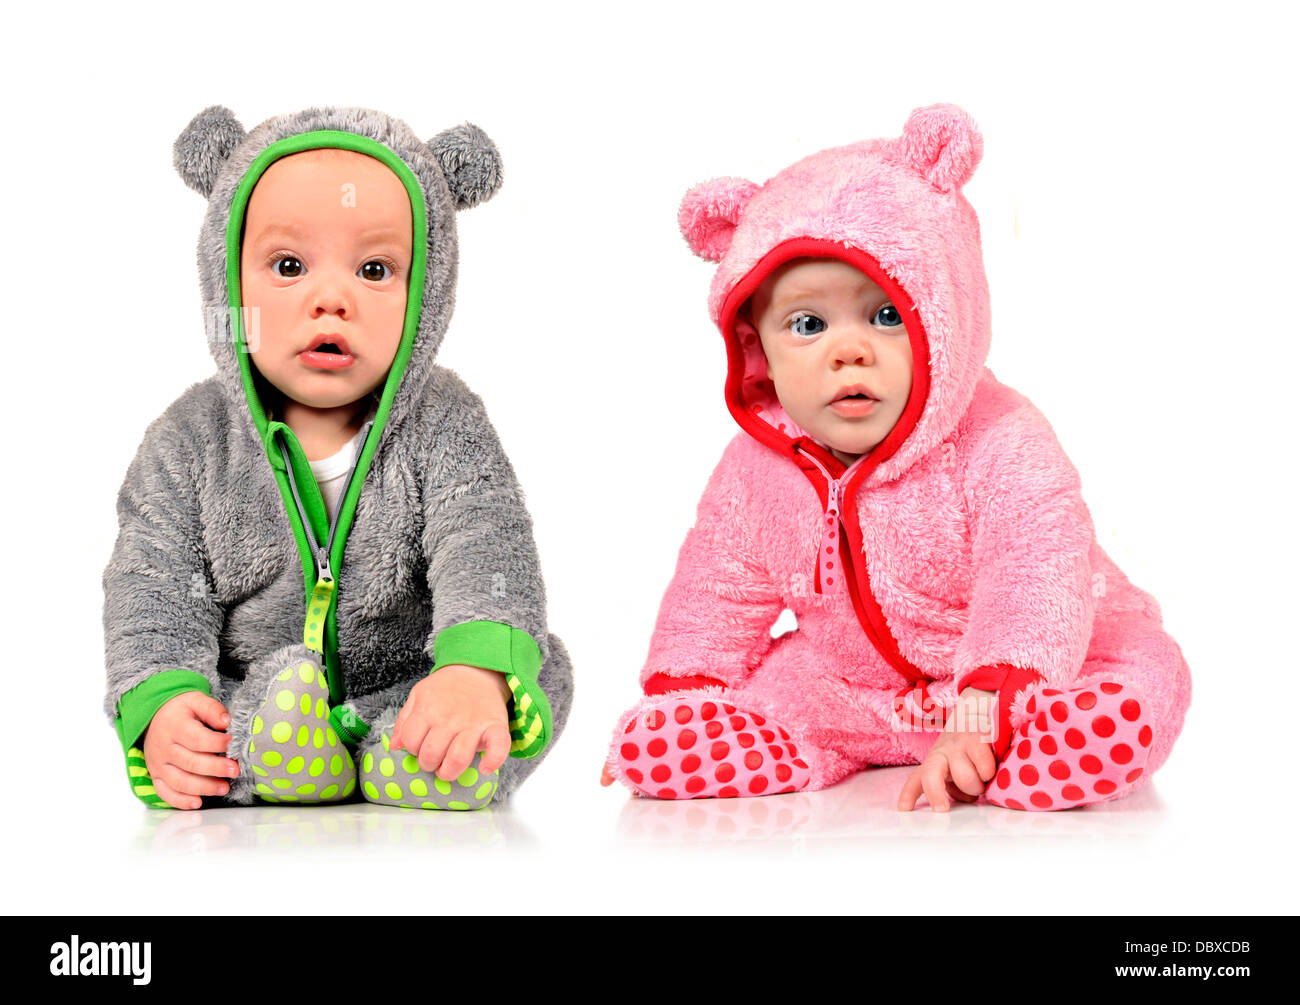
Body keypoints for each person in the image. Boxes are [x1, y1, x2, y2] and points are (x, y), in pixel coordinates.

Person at [602, 103, 1190, 812]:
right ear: (756, 338)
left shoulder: (1001, 438)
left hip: (1031, 669)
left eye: (885, 315)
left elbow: (1034, 572)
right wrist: (682, 688)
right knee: (791, 685)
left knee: (1137, 664)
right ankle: (735, 735)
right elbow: (716, 586)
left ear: (942, 310)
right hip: (863, 694)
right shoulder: (756, 469)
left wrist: (982, 709)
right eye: (808, 324)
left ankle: (1043, 738)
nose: (849, 349)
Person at [103, 105, 572, 811]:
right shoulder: (188, 441)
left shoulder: (447, 422)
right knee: (218, 714)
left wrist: (474, 668)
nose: (332, 299)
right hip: (260, 687)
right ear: (228, 281)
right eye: (288, 265)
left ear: (428, 291)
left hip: (414, 687)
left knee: (539, 666)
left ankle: (411, 750)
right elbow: (153, 581)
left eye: (375, 268)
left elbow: (487, 541)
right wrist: (164, 700)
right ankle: (275, 749)